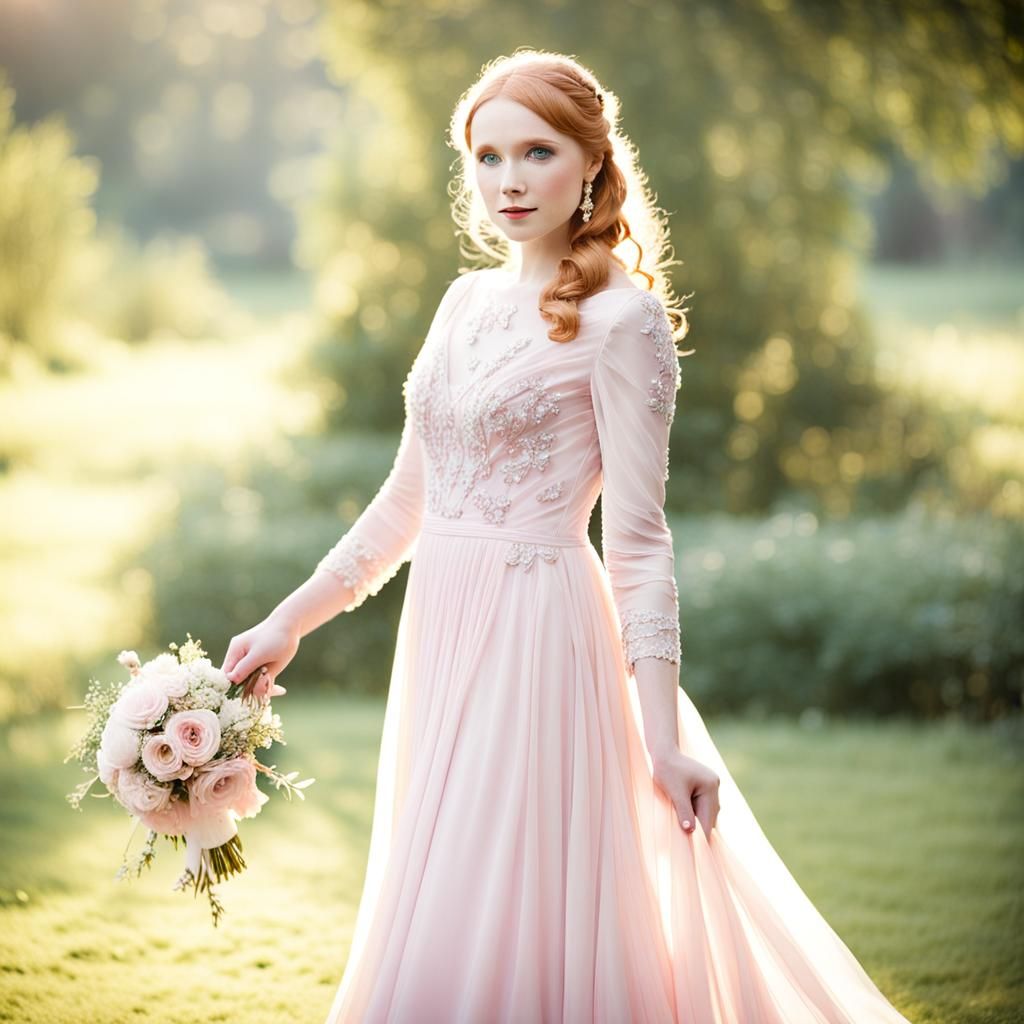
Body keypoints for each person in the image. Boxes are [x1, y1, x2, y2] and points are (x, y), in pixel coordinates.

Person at [220, 49, 913, 1024]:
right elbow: (404, 506)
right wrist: (288, 621)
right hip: (440, 630)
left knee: (518, 885)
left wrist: (661, 739)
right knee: (448, 883)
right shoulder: (461, 304)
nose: (507, 178)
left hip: (539, 632)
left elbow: (639, 541)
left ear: (589, 162)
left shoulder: (623, 321)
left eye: (536, 151)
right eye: (487, 156)